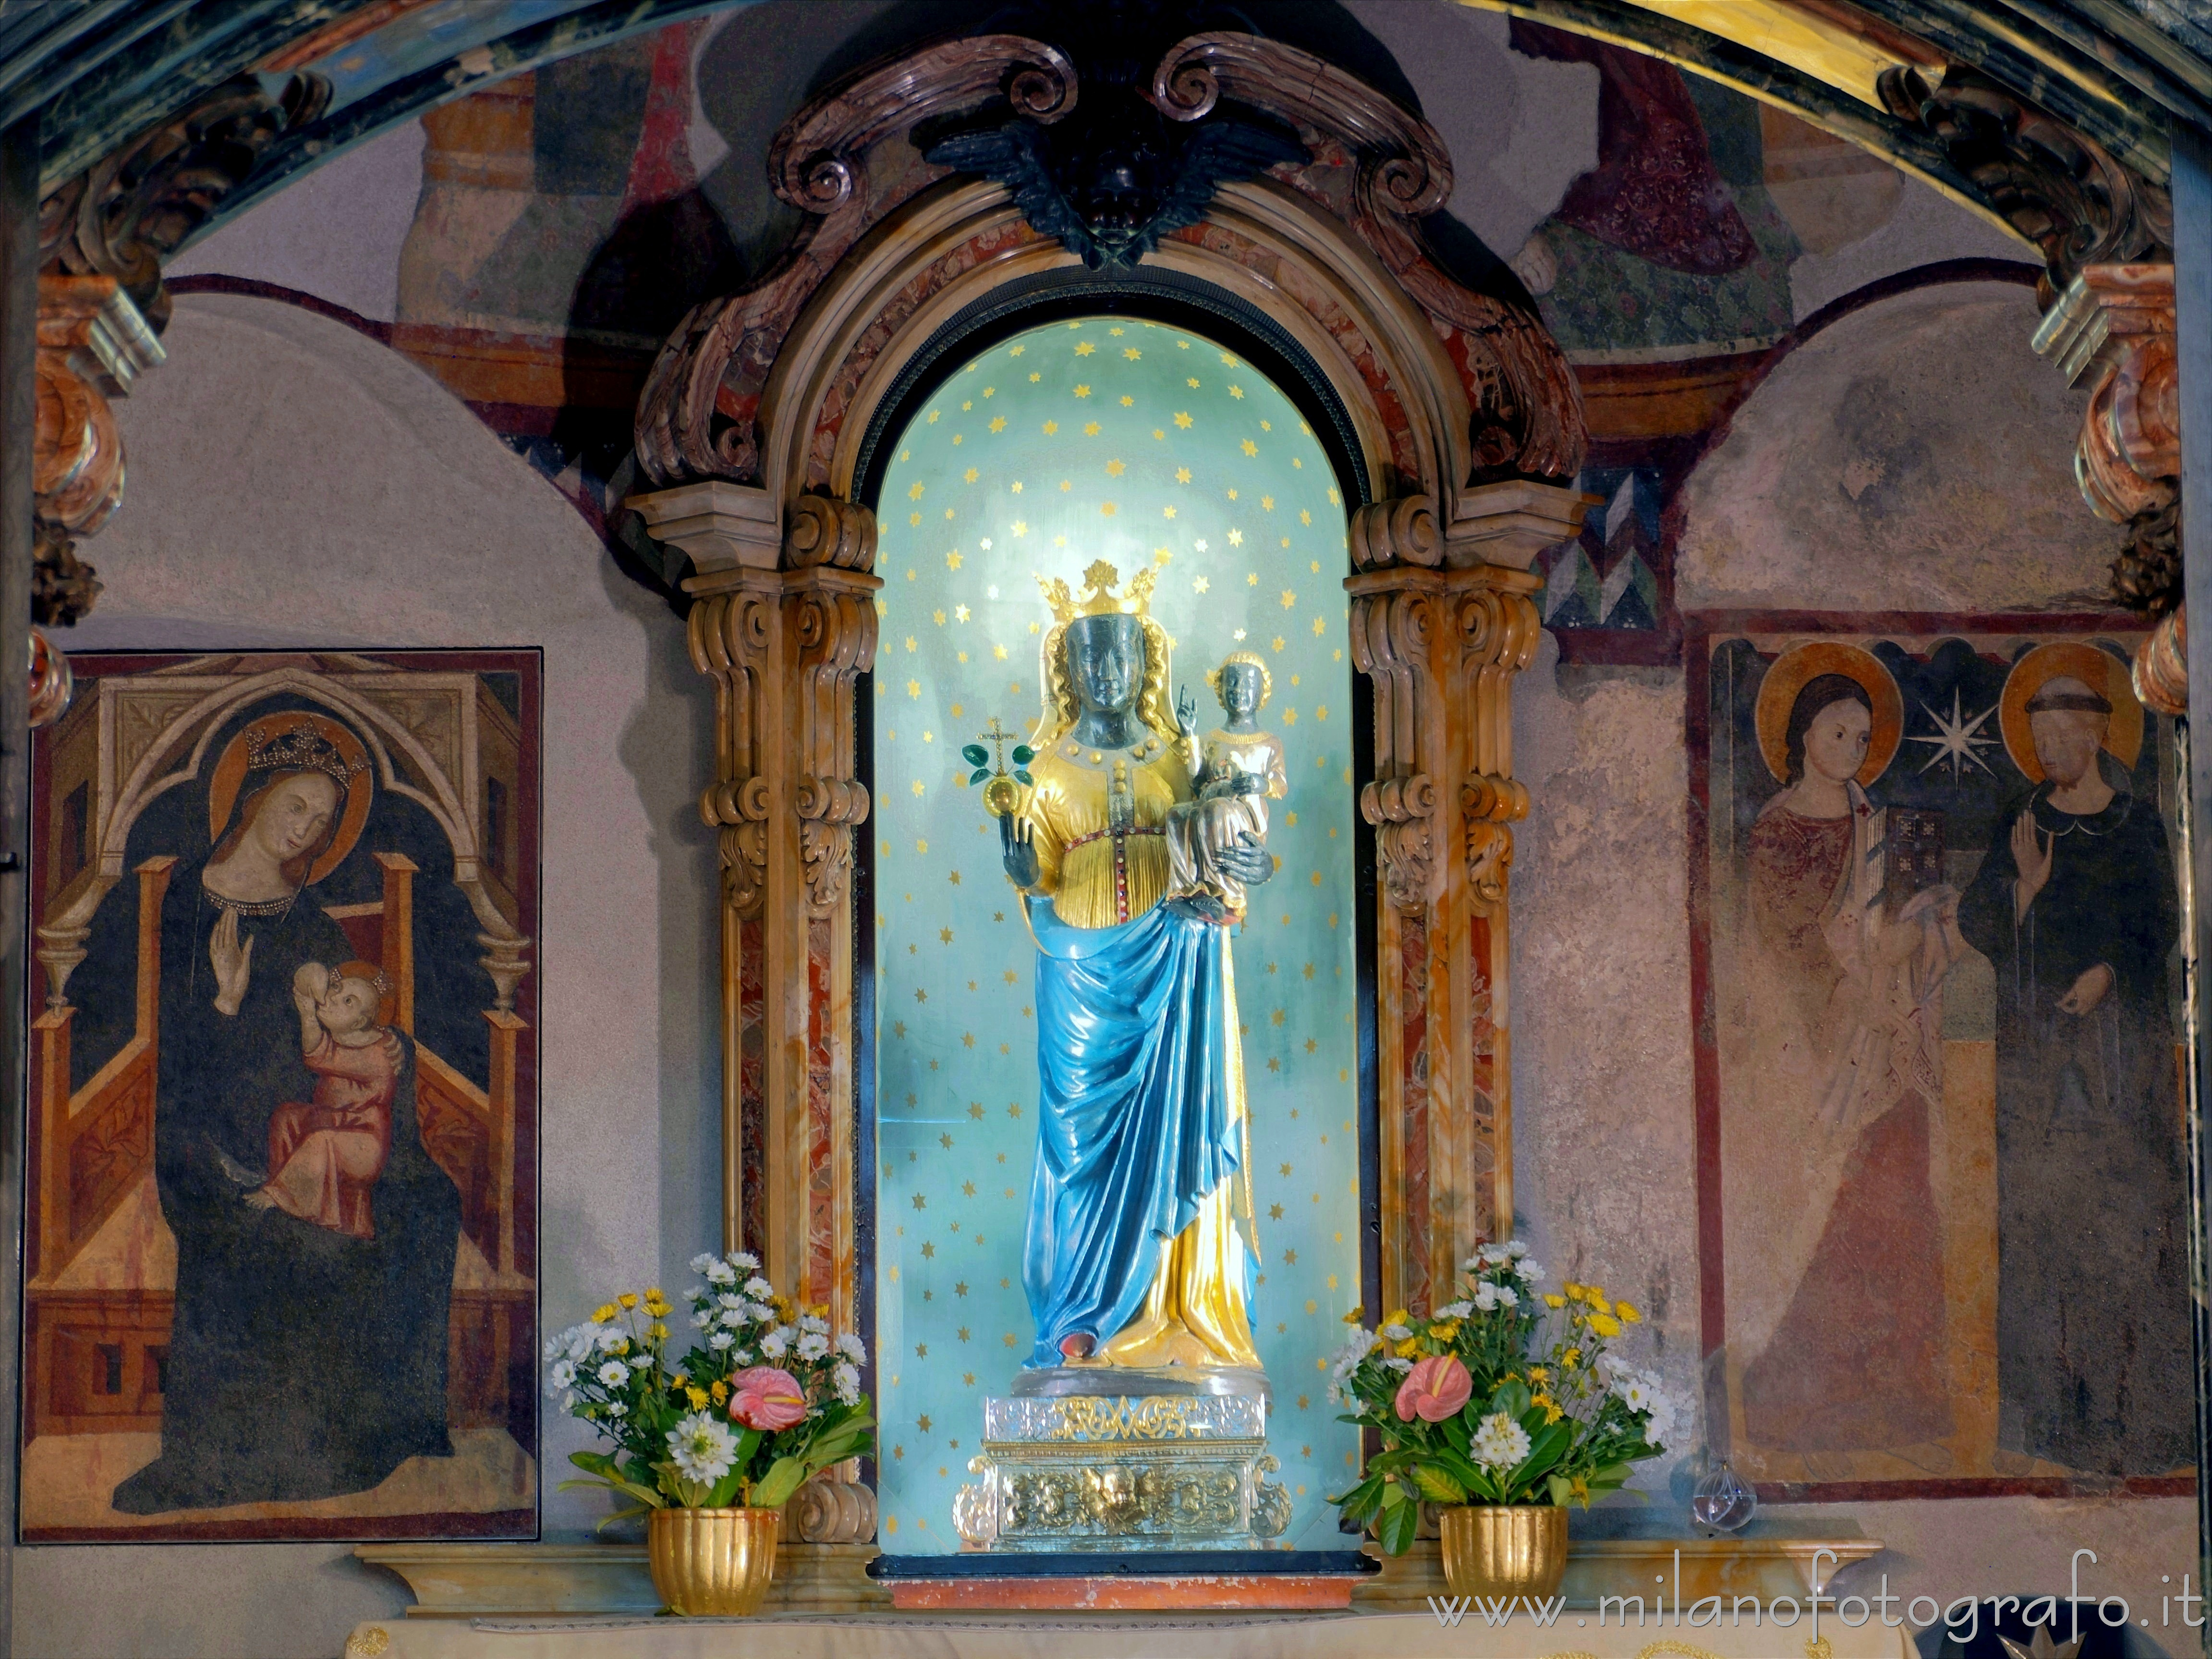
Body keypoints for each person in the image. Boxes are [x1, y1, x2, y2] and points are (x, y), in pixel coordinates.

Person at [109, 722, 462, 1514]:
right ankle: (207, 1460)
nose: (303, 828)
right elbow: (180, 1037)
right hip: (212, 1123)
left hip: (307, 1115)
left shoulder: (307, 913)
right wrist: (230, 997)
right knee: (254, 1228)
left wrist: (388, 1045)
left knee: (425, 1202)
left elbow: (350, 1014)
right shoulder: (189, 899)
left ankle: (358, 1434)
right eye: (295, 804)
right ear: (255, 794)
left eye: (321, 822)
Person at [1000, 563, 1273, 1371]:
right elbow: (1038, 882)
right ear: (1067, 670)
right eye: (1091, 658)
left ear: (1144, 664)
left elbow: (1220, 842)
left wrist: (1243, 860)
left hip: (1178, 962)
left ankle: (1174, 1310)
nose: (1107, 672)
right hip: (1081, 978)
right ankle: (1081, 1312)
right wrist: (1022, 876)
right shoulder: (1045, 772)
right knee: (1080, 1141)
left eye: (1120, 655)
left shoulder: (1179, 761)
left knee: (1179, 1116)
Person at [1957, 674, 2191, 1475]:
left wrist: (2109, 973)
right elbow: (1979, 920)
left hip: (2123, 1069)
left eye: (2063, 737)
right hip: (2039, 1069)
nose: (2050, 752)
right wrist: (2025, 889)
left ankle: (2143, 1423)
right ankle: (2049, 1423)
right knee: (2044, 1236)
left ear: (2095, 735)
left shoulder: (2136, 825)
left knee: (2130, 1233)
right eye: (2039, 740)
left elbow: (2162, 920)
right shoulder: (2021, 822)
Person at [1730, 668, 1963, 1452]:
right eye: (1838, 730)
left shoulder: (1880, 824)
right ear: (1800, 734)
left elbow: (1910, 938)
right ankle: (1811, 1381)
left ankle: (1899, 1384)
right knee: (1827, 1203)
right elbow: (1787, 943)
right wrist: (1863, 970)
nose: (1852, 746)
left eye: (1863, 736)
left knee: (1899, 1193)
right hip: (1812, 1048)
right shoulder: (1777, 830)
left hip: (1884, 1048)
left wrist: (1924, 926)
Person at [223, 960, 402, 1241]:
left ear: (359, 1022)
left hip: (364, 1142)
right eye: (338, 989)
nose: (332, 997)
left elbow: (318, 1055)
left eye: (347, 1001)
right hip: (334, 1120)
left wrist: (308, 1014)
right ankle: (281, 1186)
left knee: (321, 1141)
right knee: (287, 1116)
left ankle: (279, 1196)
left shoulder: (380, 1054)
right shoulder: (348, 1036)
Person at [1166, 651, 1288, 921]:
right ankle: (1187, 889)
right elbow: (1197, 780)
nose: (1238, 690)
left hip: (1243, 810)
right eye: (1232, 683)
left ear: (1261, 692)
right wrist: (1190, 735)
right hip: (1209, 802)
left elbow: (1280, 785)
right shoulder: (1211, 738)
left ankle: (1225, 896)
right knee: (1177, 815)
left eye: (1247, 684)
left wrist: (1260, 783)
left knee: (1216, 810)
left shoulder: (1269, 743)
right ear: (1220, 690)